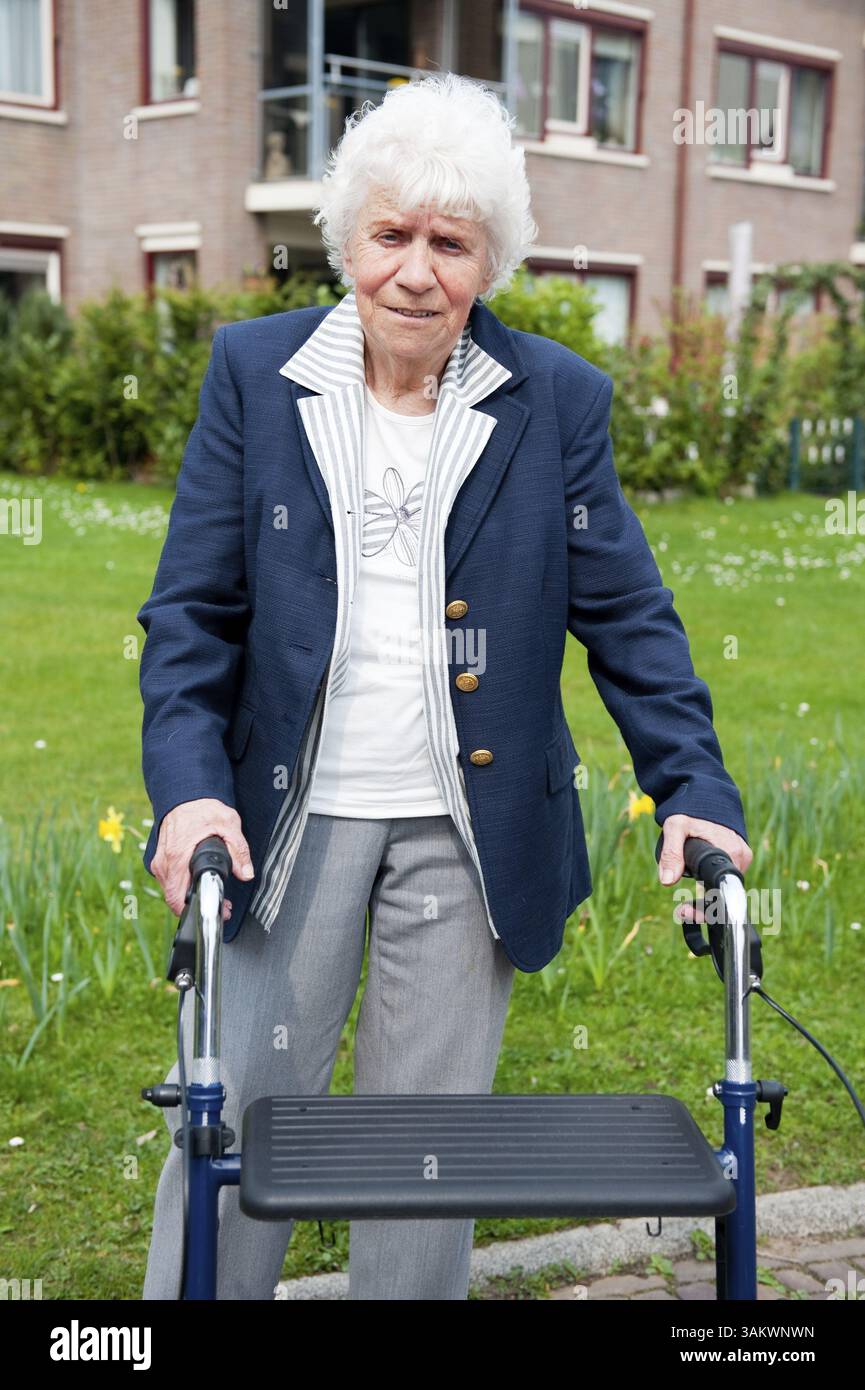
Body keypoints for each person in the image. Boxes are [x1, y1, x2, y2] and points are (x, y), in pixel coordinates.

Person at [137, 72, 751, 1301]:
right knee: (239, 1118)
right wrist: (189, 795)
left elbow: (629, 611)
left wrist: (692, 785)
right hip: (284, 823)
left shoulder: (555, 400)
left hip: (466, 832)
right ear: (348, 238)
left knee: (424, 1159)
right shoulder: (257, 376)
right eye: (392, 235)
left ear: (489, 261)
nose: (416, 271)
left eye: (450, 243)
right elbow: (193, 615)